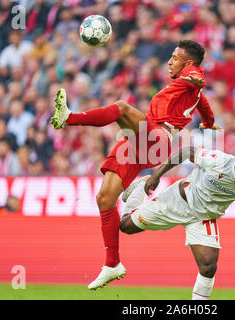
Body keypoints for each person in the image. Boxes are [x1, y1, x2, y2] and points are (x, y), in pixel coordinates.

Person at [50, 40, 221, 290]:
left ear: (189, 63)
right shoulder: (190, 92)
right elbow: (206, 112)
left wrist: (195, 77)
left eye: (175, 57)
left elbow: (198, 79)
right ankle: (112, 264)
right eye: (171, 56)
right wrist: (208, 124)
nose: (170, 61)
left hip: (156, 139)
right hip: (140, 141)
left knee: (121, 108)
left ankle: (69, 118)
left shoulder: (192, 76)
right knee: (105, 198)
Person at [119, 142, 235, 299]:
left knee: (208, 266)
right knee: (126, 226)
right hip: (177, 201)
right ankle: (139, 186)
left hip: (203, 217)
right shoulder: (218, 160)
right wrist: (156, 175)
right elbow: (186, 151)